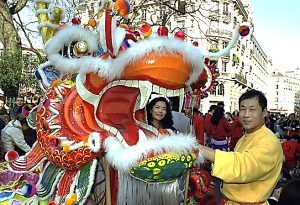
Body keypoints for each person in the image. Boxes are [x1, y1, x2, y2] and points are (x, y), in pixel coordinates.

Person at [199, 89, 283, 204]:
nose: (246, 114)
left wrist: (202, 150)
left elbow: (243, 165)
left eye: (252, 110)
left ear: (264, 112)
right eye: (243, 109)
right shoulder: (247, 136)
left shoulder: (268, 141)